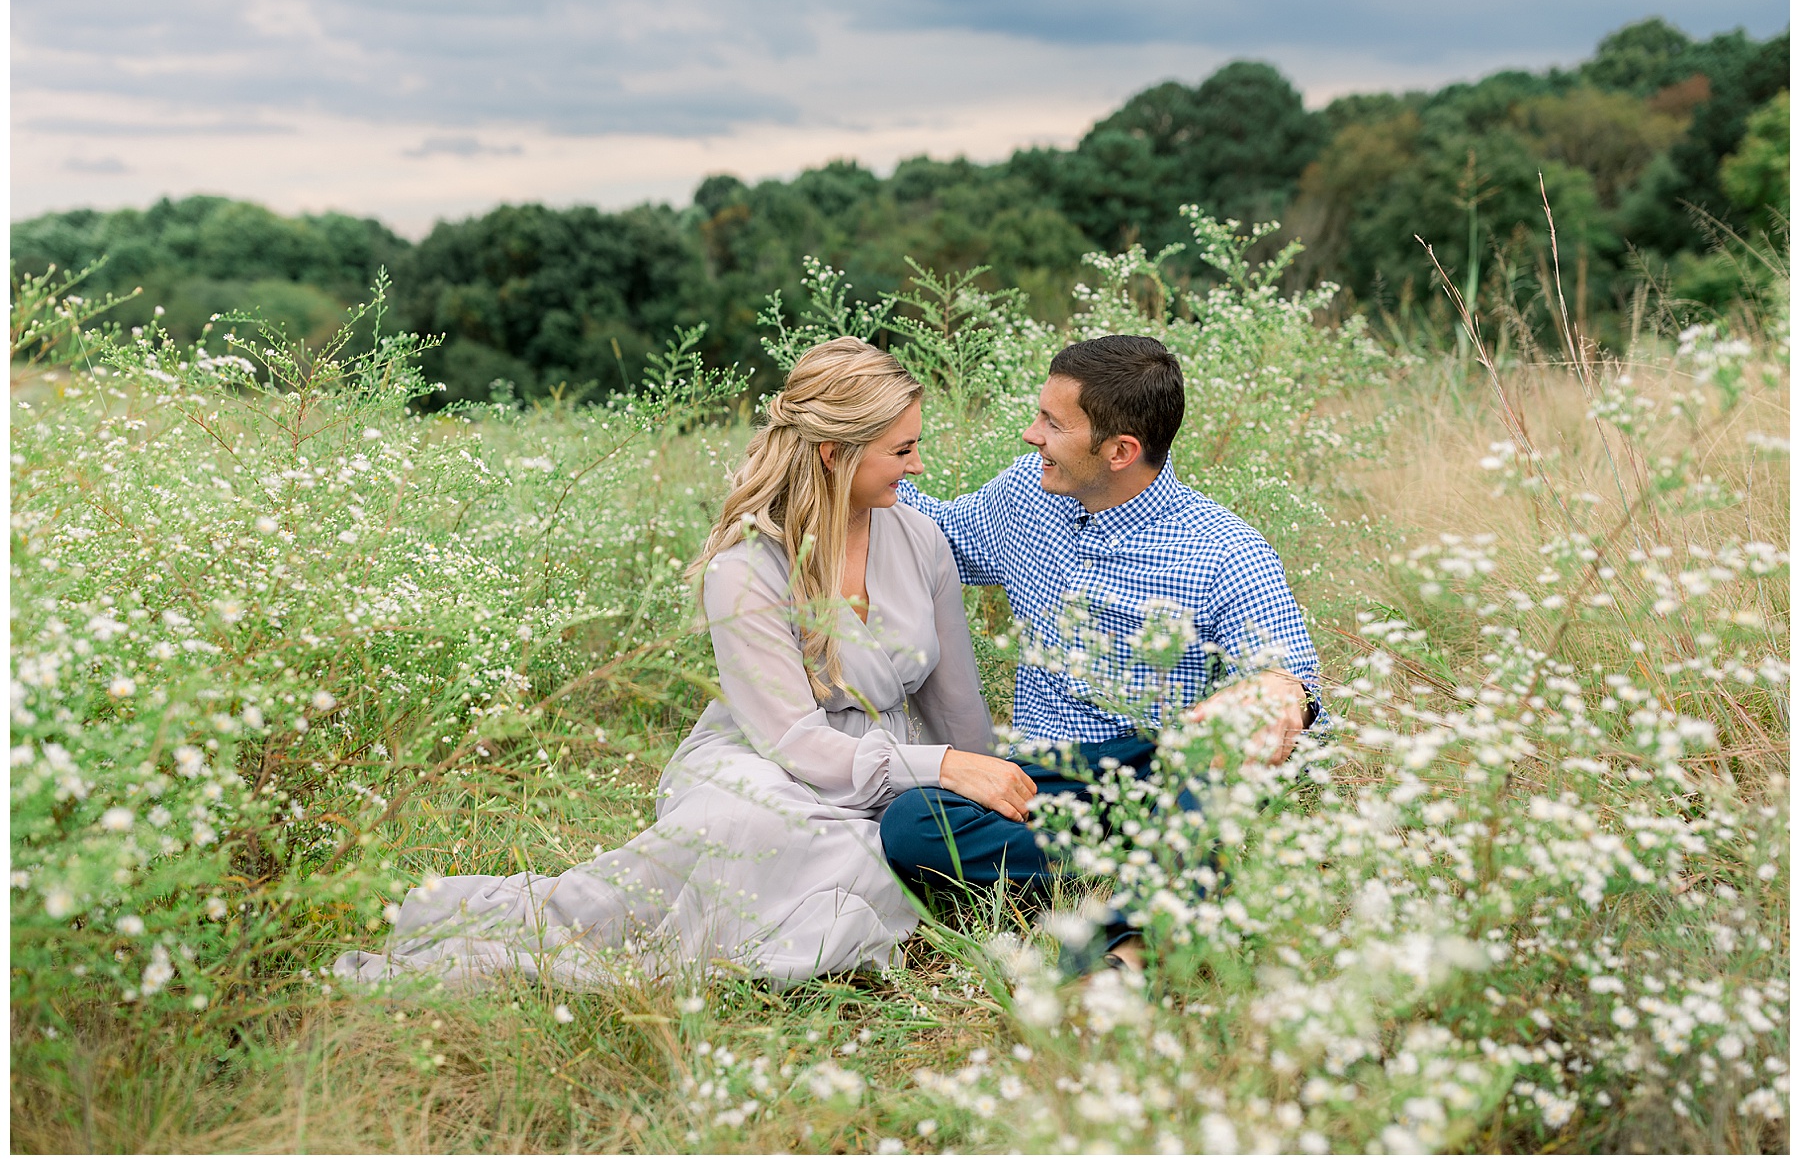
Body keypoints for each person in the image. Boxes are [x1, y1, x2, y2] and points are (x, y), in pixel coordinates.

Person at [334, 338, 1031, 990]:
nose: (919, 467)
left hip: (888, 756)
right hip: (770, 758)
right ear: (832, 453)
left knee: (869, 855)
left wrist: (989, 788)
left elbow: (955, 702)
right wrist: (938, 767)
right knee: (759, 837)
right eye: (901, 449)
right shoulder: (748, 565)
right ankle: (536, 937)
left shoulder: (922, 540)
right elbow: (791, 739)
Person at [880, 334, 1324, 970]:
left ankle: (1121, 949)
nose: (1032, 435)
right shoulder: (1025, 497)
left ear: (1121, 451)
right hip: (1042, 780)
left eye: (1053, 423)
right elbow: (938, 535)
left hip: (1154, 771)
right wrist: (851, 454)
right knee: (910, 823)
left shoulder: (1224, 551)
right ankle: (1155, 869)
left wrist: (1276, 694)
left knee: (1204, 757)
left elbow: (1289, 683)